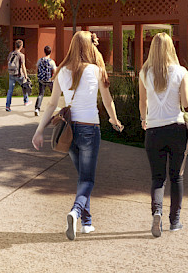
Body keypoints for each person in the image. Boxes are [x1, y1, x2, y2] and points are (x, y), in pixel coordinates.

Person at [32, 30, 124, 240]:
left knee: (83, 177)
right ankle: (75, 212)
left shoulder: (61, 71)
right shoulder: (96, 70)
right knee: (88, 180)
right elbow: (108, 100)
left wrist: (39, 131)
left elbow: (52, 104)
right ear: (90, 47)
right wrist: (114, 119)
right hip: (90, 128)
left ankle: (86, 223)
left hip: (69, 130)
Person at [138, 32, 188, 236]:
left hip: (153, 130)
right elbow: (186, 103)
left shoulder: (144, 73)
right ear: (171, 48)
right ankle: (175, 221)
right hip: (177, 129)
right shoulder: (181, 72)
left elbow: (142, 102)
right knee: (176, 177)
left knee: (157, 177)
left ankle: (157, 213)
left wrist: (143, 119)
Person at [5, 39, 31, 111]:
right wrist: (26, 76)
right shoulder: (21, 55)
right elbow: (23, 66)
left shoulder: (11, 53)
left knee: (10, 90)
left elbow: (8, 61)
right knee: (24, 86)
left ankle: (7, 106)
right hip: (19, 75)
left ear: (15, 46)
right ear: (21, 46)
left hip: (11, 74)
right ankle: (26, 101)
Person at [35, 45, 56, 116]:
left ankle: (37, 108)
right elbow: (54, 72)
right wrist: (53, 79)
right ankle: (53, 107)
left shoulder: (40, 60)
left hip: (41, 80)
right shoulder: (51, 62)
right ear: (50, 52)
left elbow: (37, 69)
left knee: (40, 94)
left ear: (44, 52)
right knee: (53, 94)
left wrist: (38, 76)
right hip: (49, 80)